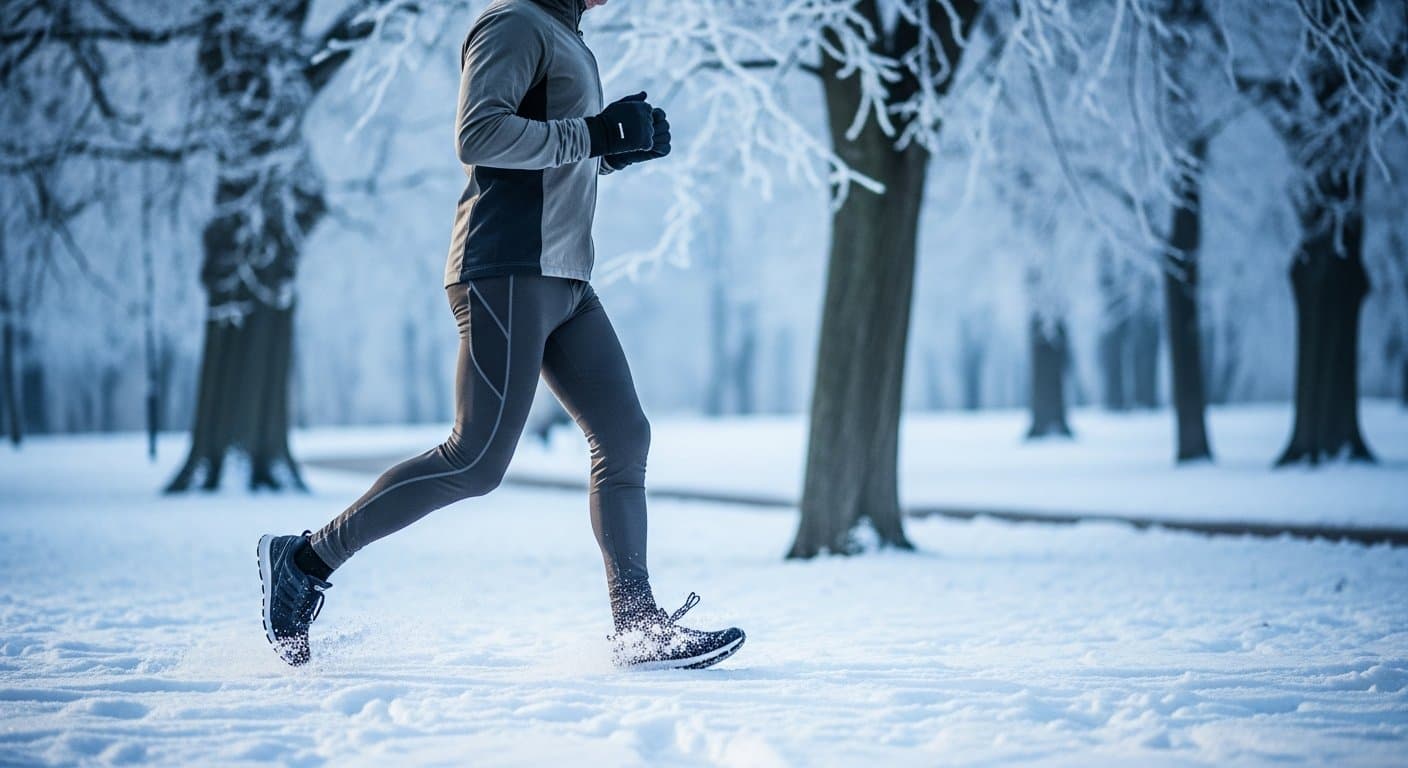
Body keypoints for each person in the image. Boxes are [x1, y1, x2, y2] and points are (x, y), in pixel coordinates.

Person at [257, 0, 745, 670]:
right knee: (476, 459)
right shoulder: (513, 21)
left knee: (624, 436)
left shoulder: (564, 32)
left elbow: (551, 147)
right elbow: (480, 135)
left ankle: (637, 627)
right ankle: (304, 561)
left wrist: (614, 150)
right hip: (508, 269)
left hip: (566, 276)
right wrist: (594, 134)